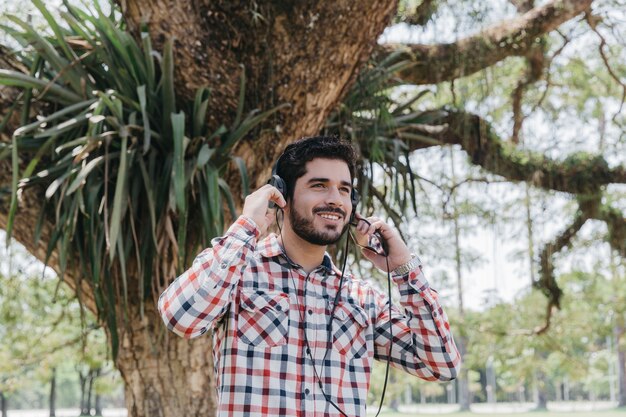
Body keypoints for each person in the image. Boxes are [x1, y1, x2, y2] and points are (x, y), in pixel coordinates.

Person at [158, 136, 461, 417]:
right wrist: (246, 225)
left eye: (344, 189)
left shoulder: (363, 297)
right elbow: (181, 317)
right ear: (281, 195)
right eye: (319, 185)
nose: (336, 199)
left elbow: (441, 365)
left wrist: (403, 268)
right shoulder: (237, 271)